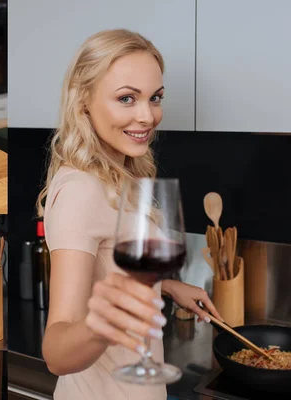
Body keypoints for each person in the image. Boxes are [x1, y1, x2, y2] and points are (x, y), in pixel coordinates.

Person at [36, 29, 224, 400]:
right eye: (126, 98)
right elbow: (56, 352)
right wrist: (104, 322)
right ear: (84, 101)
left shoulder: (117, 175)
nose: (147, 115)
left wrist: (163, 286)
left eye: (155, 98)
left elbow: (109, 270)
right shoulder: (81, 190)